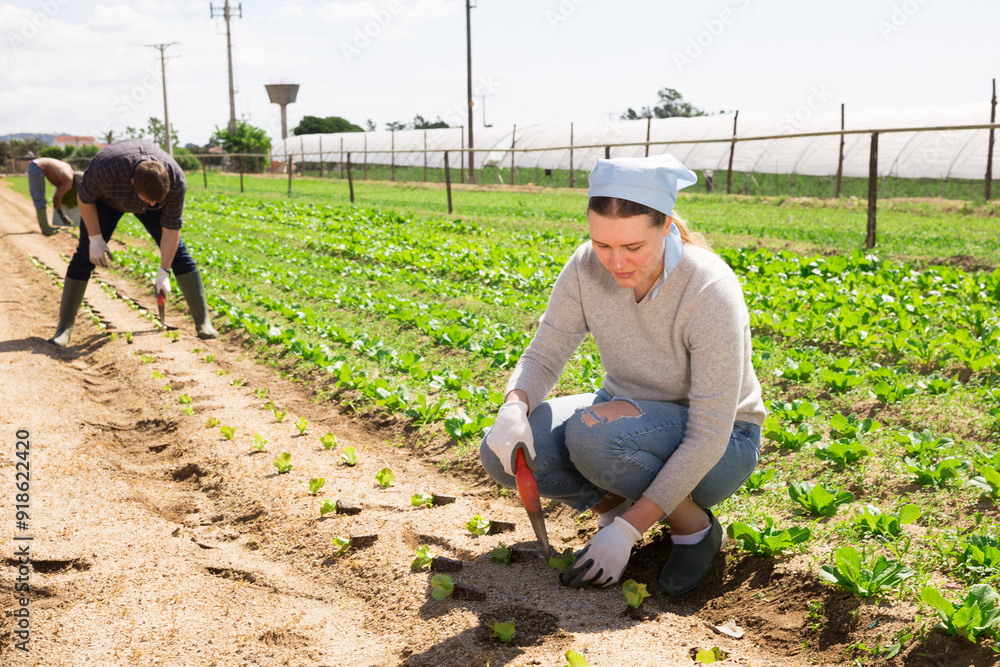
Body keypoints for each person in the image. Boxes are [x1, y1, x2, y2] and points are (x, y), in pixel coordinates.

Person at [480, 153, 765, 597]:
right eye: (602, 244)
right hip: (621, 421)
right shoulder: (583, 267)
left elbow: (710, 431)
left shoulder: (708, 288)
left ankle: (693, 529)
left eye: (633, 247)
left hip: (723, 443)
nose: (615, 263)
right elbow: (546, 352)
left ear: (667, 226)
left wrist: (628, 532)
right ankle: (616, 505)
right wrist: (514, 405)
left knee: (593, 436)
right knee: (507, 452)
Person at [49, 139, 218, 347]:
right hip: (107, 200)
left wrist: (164, 271)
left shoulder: (176, 181)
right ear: (132, 183)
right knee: (85, 255)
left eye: (158, 199)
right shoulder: (105, 169)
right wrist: (94, 238)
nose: (153, 204)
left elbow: (171, 229)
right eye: (149, 199)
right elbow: (84, 198)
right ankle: (64, 327)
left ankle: (203, 322)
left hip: (151, 205)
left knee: (180, 256)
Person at [27, 157, 78, 235]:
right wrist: (62, 215)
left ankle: (47, 227)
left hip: (35, 165)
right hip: (37, 167)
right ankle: (46, 230)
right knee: (39, 198)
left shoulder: (69, 169)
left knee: (38, 197)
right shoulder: (69, 181)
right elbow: (57, 197)